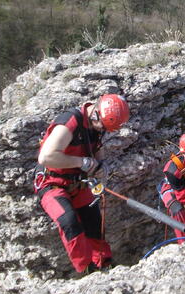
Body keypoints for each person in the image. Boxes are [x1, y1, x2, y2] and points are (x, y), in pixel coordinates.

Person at [34, 93, 130, 274]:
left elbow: (97, 151)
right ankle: (86, 269)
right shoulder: (70, 122)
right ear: (95, 114)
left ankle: (103, 264)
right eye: (102, 126)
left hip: (78, 183)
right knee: (69, 221)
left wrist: (101, 166)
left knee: (94, 221)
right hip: (51, 183)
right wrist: (81, 163)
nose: (102, 131)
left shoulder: (96, 127)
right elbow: (46, 157)